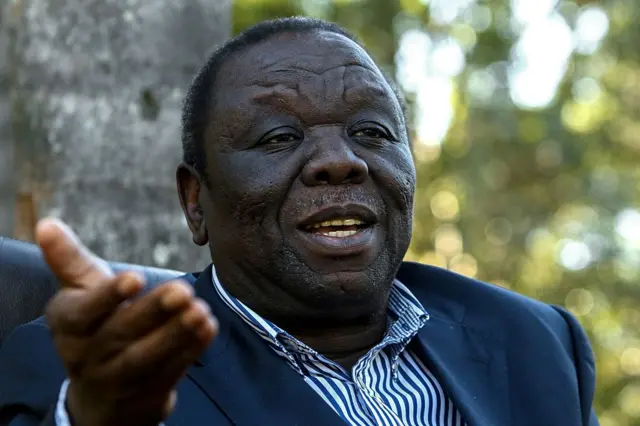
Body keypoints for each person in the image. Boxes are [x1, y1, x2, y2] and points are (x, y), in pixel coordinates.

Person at [0, 17, 598, 426]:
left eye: (371, 133)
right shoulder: (81, 371)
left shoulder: (537, 343)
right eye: (279, 137)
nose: (341, 161)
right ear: (194, 201)